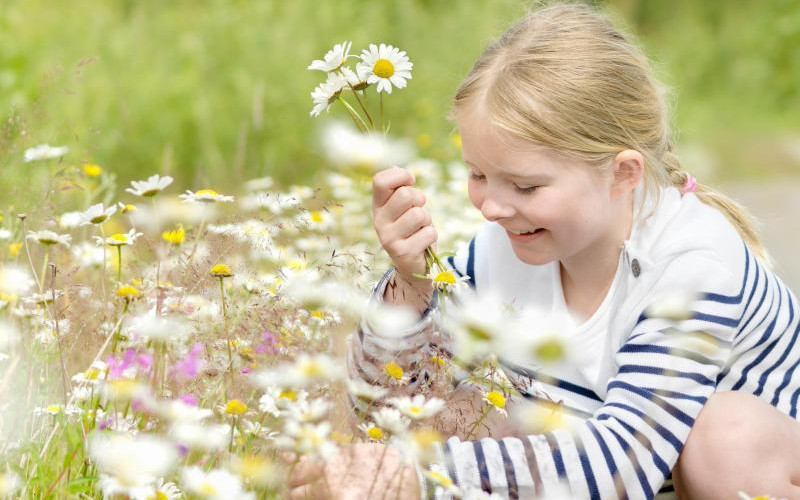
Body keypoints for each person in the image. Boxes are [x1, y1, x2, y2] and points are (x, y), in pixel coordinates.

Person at [288, 3, 800, 499]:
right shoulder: (501, 249)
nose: (491, 207)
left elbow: (622, 462)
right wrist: (413, 285)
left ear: (623, 174)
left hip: (726, 470)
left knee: (725, 437)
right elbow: (383, 412)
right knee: (463, 410)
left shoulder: (692, 263)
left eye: (526, 187)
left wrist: (416, 476)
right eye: (478, 174)